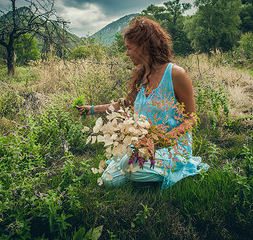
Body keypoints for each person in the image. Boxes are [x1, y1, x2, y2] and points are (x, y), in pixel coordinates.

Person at [77, 16, 208, 189]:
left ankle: (173, 172)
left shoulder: (176, 74)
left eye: (129, 48)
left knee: (129, 168)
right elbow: (123, 104)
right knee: (109, 180)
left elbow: (191, 119)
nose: (127, 53)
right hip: (143, 144)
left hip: (172, 145)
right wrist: (91, 109)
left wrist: (161, 140)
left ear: (144, 45)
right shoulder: (141, 76)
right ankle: (144, 172)